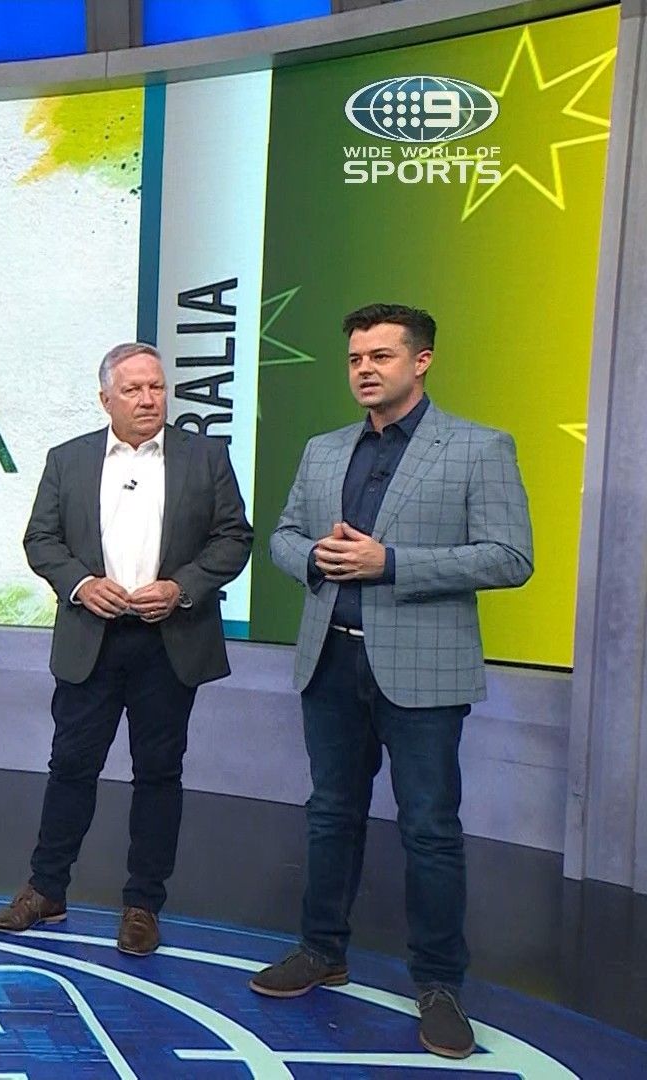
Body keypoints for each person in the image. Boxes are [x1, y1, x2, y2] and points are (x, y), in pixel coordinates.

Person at [250, 304, 533, 1060]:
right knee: (330, 814)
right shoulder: (323, 450)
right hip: (330, 661)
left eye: (380, 356)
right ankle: (321, 949)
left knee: (429, 830)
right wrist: (314, 558)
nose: (365, 370)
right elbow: (282, 536)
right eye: (355, 359)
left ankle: (438, 985)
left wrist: (391, 564)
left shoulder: (478, 447)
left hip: (424, 671)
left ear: (422, 360)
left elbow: (511, 557)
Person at [0, 342, 252, 956]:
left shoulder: (207, 457)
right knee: (70, 767)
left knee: (158, 773)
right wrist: (81, 584)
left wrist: (182, 588)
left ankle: (142, 905)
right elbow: (41, 540)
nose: (148, 399)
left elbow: (233, 537)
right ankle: (46, 890)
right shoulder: (68, 459)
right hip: (92, 641)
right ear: (106, 398)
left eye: (156, 387)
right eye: (133, 390)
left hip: (170, 642)